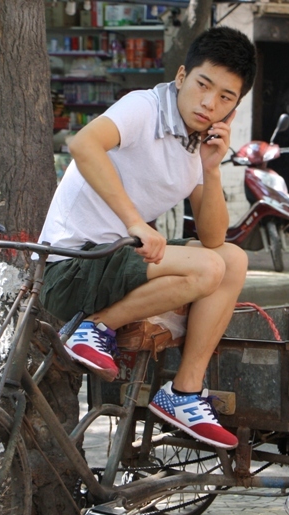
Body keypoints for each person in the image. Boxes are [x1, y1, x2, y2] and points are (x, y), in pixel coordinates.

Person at [36, 27, 257, 450]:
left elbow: (213, 237)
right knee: (209, 267)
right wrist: (136, 223)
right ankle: (92, 329)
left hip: (111, 266)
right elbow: (83, 144)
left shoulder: (196, 148)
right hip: (70, 266)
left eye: (225, 98)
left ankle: (185, 393)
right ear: (181, 77)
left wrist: (211, 170)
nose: (209, 103)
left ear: (234, 106)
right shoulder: (143, 108)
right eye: (203, 85)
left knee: (231, 259)